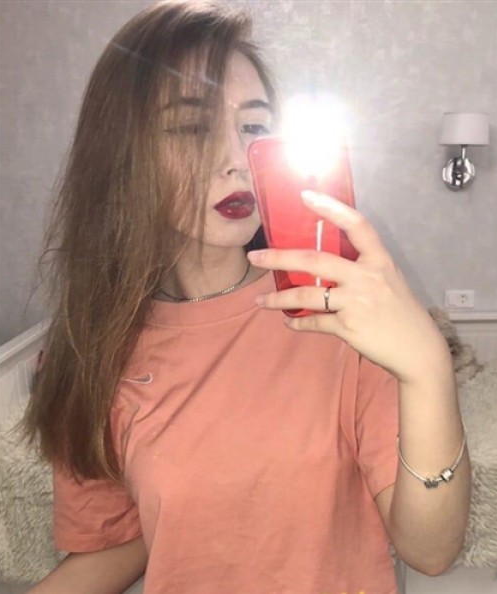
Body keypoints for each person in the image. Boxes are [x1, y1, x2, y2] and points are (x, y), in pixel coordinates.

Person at [24, 1, 471, 593]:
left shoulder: (335, 313)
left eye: (255, 128)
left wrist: (427, 368)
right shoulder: (94, 350)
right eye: (192, 128)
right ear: (121, 153)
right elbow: (124, 544)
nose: (238, 162)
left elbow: (430, 549)